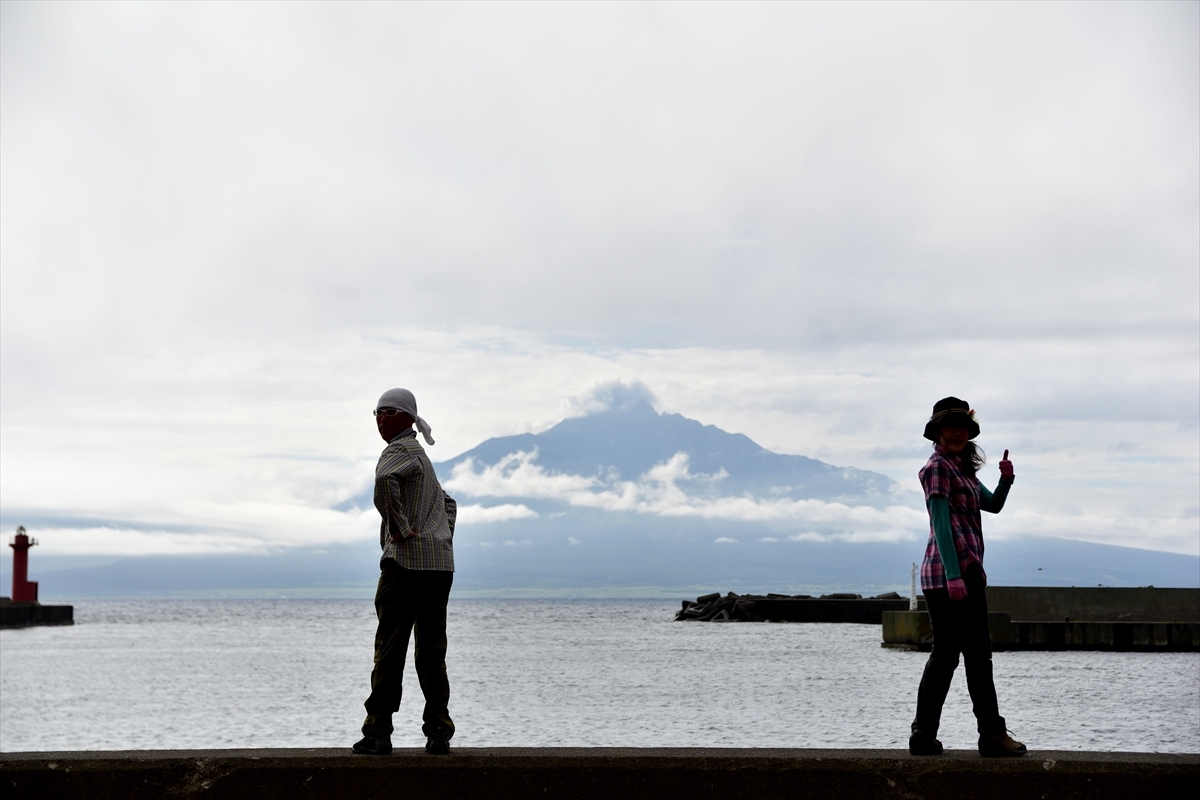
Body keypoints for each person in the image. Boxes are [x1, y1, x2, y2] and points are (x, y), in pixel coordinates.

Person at [909, 397, 1027, 758]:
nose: (958, 431)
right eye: (951, 426)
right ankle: (991, 734)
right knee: (977, 654)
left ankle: (923, 734)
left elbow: (991, 504)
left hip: (949, 573)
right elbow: (940, 524)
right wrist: (956, 576)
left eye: (964, 425)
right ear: (938, 431)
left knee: (946, 654)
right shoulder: (938, 468)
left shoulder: (961, 469)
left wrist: (1005, 479)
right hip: (955, 573)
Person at [353, 388, 458, 756]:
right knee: (431, 649)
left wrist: (399, 528)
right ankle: (439, 732)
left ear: (408, 418)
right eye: (377, 412)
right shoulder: (422, 458)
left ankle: (378, 732)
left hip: (406, 563)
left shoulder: (399, 451)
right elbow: (448, 503)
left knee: (390, 646)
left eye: (389, 412)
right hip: (439, 564)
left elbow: (384, 483)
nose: (381, 419)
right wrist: (440, 536)